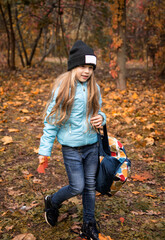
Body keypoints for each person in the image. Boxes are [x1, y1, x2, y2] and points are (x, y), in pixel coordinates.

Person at [38, 40, 106, 240]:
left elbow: (100, 112)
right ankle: (52, 201)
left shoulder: (95, 88)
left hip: (92, 145)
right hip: (71, 149)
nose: (87, 71)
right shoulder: (63, 89)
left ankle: (88, 223)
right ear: (73, 66)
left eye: (91, 68)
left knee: (90, 187)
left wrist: (102, 118)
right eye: (83, 66)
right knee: (78, 186)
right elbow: (51, 122)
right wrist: (45, 150)